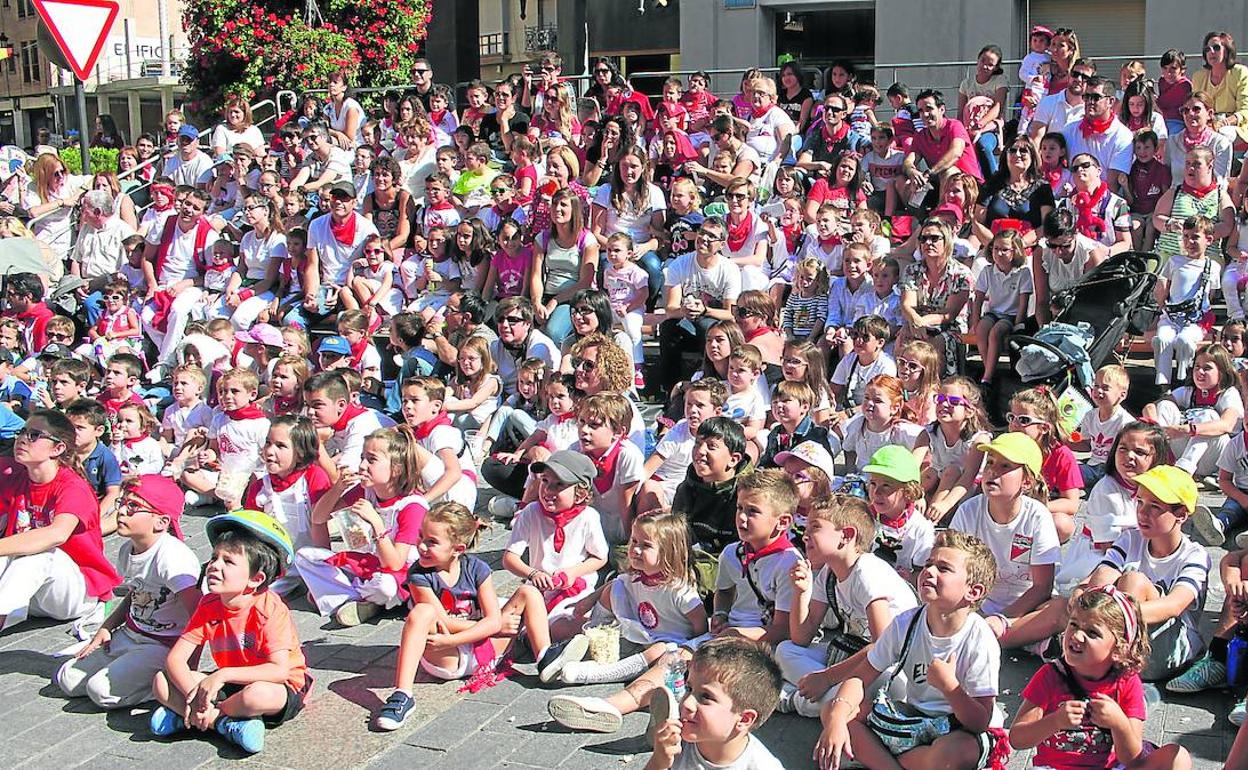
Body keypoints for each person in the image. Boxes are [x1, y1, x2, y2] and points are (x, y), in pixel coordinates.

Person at [816, 530, 1000, 770]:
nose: (929, 571)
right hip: (911, 717)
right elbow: (861, 677)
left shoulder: (979, 638)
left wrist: (950, 688)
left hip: (958, 729)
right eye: (928, 564)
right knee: (834, 710)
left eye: (943, 568)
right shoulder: (907, 622)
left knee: (953, 754)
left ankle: (881, 761)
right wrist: (838, 717)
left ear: (973, 592)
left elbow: (980, 721)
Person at [375, 501, 559, 730]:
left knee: (528, 592)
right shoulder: (419, 576)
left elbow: (492, 620)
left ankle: (546, 659)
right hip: (448, 654)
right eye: (421, 537)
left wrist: (491, 624)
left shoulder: (477, 568)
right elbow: (446, 622)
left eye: (431, 542)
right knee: (422, 612)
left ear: (458, 549)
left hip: (481, 645)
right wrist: (493, 626)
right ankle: (403, 694)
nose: (421, 546)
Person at [149, 510, 309, 755]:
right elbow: (176, 659)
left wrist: (221, 676)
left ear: (256, 579)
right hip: (230, 683)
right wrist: (194, 696)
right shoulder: (209, 604)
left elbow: (278, 671)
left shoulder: (271, 609)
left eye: (228, 561)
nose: (214, 566)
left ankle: (191, 718)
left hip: (279, 686)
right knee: (161, 681)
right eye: (214, 558)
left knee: (256, 696)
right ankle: (221, 723)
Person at [55, 475, 200, 709]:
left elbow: (199, 614)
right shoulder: (127, 550)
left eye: (133, 506)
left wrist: (185, 668)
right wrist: (106, 627)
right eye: (122, 502)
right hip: (130, 634)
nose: (122, 511)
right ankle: (130, 671)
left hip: (163, 645)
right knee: (67, 680)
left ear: (161, 522)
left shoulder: (173, 559)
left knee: (100, 691)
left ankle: (159, 690)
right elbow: (134, 594)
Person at [1009, 588, 1192, 770]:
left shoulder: (1127, 681)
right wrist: (1056, 721)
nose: (1077, 635)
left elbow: (1132, 760)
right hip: (1056, 767)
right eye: (1073, 624)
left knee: (1177, 757)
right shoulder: (1051, 675)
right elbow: (1017, 738)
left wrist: (1119, 723)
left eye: (1092, 632)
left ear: (1119, 649)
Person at [0, 411, 120, 632]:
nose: (23, 439)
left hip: (76, 593)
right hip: (30, 592)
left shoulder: (72, 486)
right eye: (22, 432)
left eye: (35, 435)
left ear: (58, 448)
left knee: (39, 554)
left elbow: (57, 534)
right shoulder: (16, 476)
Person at [297, 426, 429, 626]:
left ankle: (346, 597)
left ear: (396, 469)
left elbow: (395, 564)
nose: (362, 465)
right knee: (305, 557)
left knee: (384, 587)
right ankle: (360, 601)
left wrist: (376, 523)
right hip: (367, 565)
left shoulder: (412, 506)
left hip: (397, 575)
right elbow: (318, 517)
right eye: (362, 458)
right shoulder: (366, 491)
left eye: (371, 459)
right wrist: (338, 487)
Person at [644, 637, 786, 770]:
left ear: (744, 719)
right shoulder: (677, 743)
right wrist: (659, 761)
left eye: (706, 696)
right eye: (689, 688)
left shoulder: (762, 765)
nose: (687, 702)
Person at [1152, 148, 1236, 265]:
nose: (1191, 168)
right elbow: (1156, 217)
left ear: (1209, 167)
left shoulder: (1219, 195)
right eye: (1188, 163)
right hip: (1169, 253)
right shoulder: (1175, 191)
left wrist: (1200, 232)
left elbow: (1227, 225)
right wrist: (1170, 224)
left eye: (1197, 164)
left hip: (1205, 257)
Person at [1062, 76, 1135, 189]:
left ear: (1111, 101)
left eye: (1096, 97)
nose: (1090, 102)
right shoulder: (1068, 130)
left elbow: (1113, 187)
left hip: (1104, 200)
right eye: (1086, 97)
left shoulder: (1123, 136)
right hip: (1070, 199)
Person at [1191, 30, 1248, 146]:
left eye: (1216, 48)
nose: (1211, 52)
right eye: (1207, 49)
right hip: (1207, 125)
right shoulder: (1198, 76)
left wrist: (1223, 123)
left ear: (1227, 51)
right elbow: (1195, 108)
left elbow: (1245, 110)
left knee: (1221, 135)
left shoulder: (1240, 72)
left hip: (1236, 127)